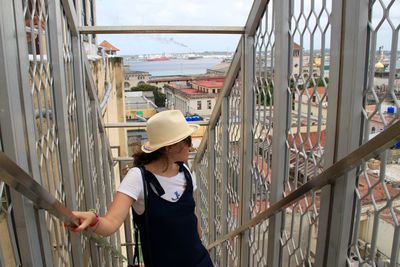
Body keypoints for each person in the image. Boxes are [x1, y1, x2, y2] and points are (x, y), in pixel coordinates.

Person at [70, 110, 213, 267]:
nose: (190, 146)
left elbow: (190, 211)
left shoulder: (186, 172)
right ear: (169, 147)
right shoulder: (138, 178)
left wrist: (197, 228)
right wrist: (93, 219)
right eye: (187, 141)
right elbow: (111, 223)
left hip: (200, 261)